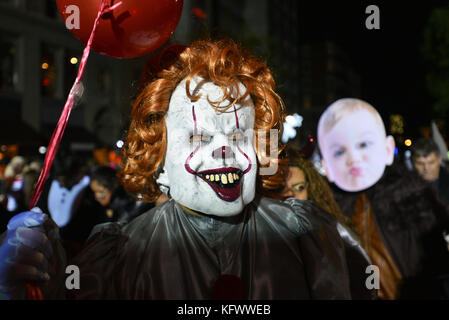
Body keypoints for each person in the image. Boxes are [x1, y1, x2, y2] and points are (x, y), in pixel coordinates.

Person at [0, 39, 374, 300]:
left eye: (239, 134)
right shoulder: (120, 254)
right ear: (158, 162)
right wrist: (31, 282)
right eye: (198, 137)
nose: (224, 151)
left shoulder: (305, 233)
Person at [317, 98, 449, 299]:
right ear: (327, 166)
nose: (353, 158)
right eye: (339, 151)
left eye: (363, 144)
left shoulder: (414, 197)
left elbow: (434, 262)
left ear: (387, 149)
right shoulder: (325, 208)